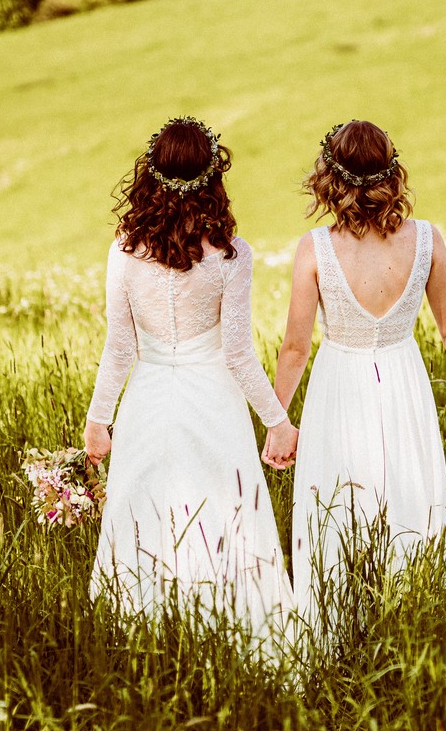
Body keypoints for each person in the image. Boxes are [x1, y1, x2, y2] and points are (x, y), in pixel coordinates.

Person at [274, 120, 446, 625]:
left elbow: (295, 348)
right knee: (410, 488)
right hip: (403, 379)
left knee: (337, 499)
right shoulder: (425, 240)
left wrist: (276, 419)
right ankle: (419, 613)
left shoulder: (315, 248)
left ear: (328, 179)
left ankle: (334, 616)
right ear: (392, 173)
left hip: (339, 383)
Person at [83, 116, 300, 648]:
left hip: (149, 401)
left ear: (151, 177)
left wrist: (99, 418)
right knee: (226, 515)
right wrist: (278, 421)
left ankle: (140, 642)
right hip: (215, 400)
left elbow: (121, 346)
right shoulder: (230, 254)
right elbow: (238, 352)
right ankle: (234, 632)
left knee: (146, 514)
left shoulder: (125, 250)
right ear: (212, 178)